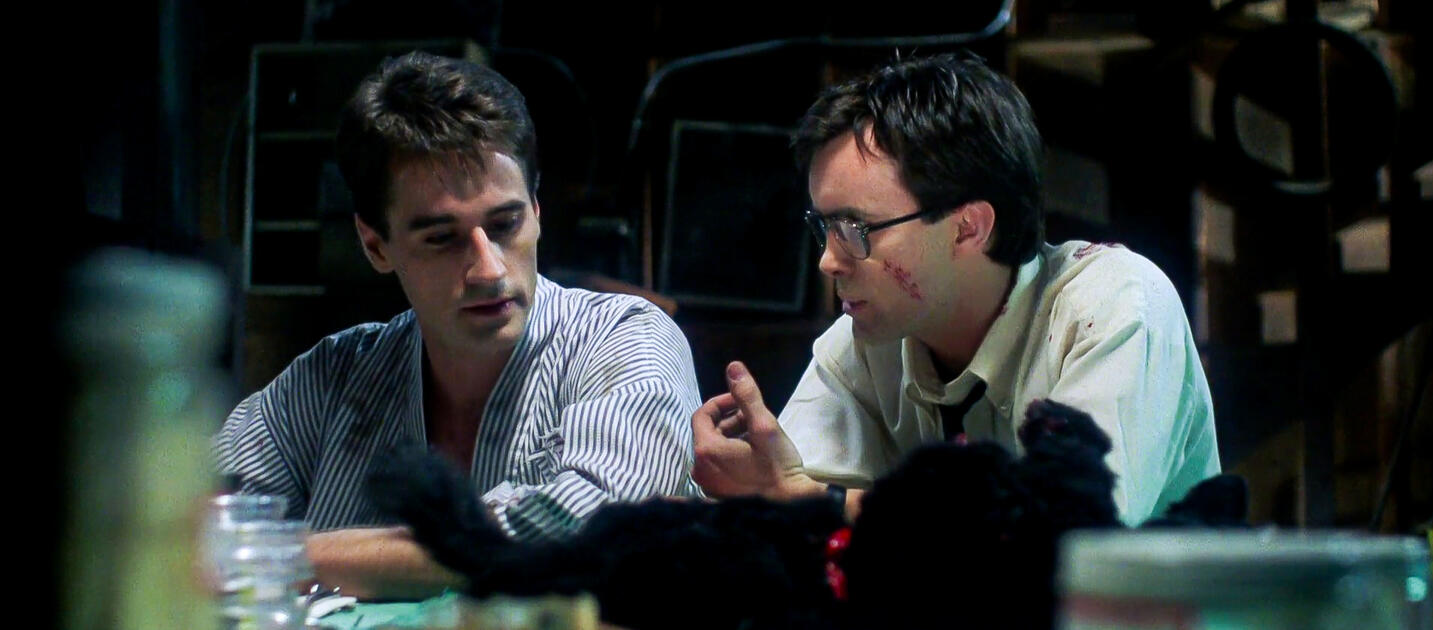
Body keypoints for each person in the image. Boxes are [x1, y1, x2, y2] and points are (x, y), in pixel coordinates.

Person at [215, 51, 702, 599]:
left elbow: (590, 530)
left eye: (505, 224)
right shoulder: (333, 380)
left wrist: (296, 556)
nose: (489, 270)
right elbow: (190, 525)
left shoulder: (624, 339)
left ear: (537, 210)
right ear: (375, 245)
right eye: (442, 238)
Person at [691, 53, 1220, 526]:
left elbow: (1065, 534)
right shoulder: (862, 345)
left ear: (969, 227)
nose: (828, 261)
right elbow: (788, 513)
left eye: (855, 229)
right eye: (823, 227)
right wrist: (760, 494)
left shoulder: (1113, 306)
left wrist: (823, 503)